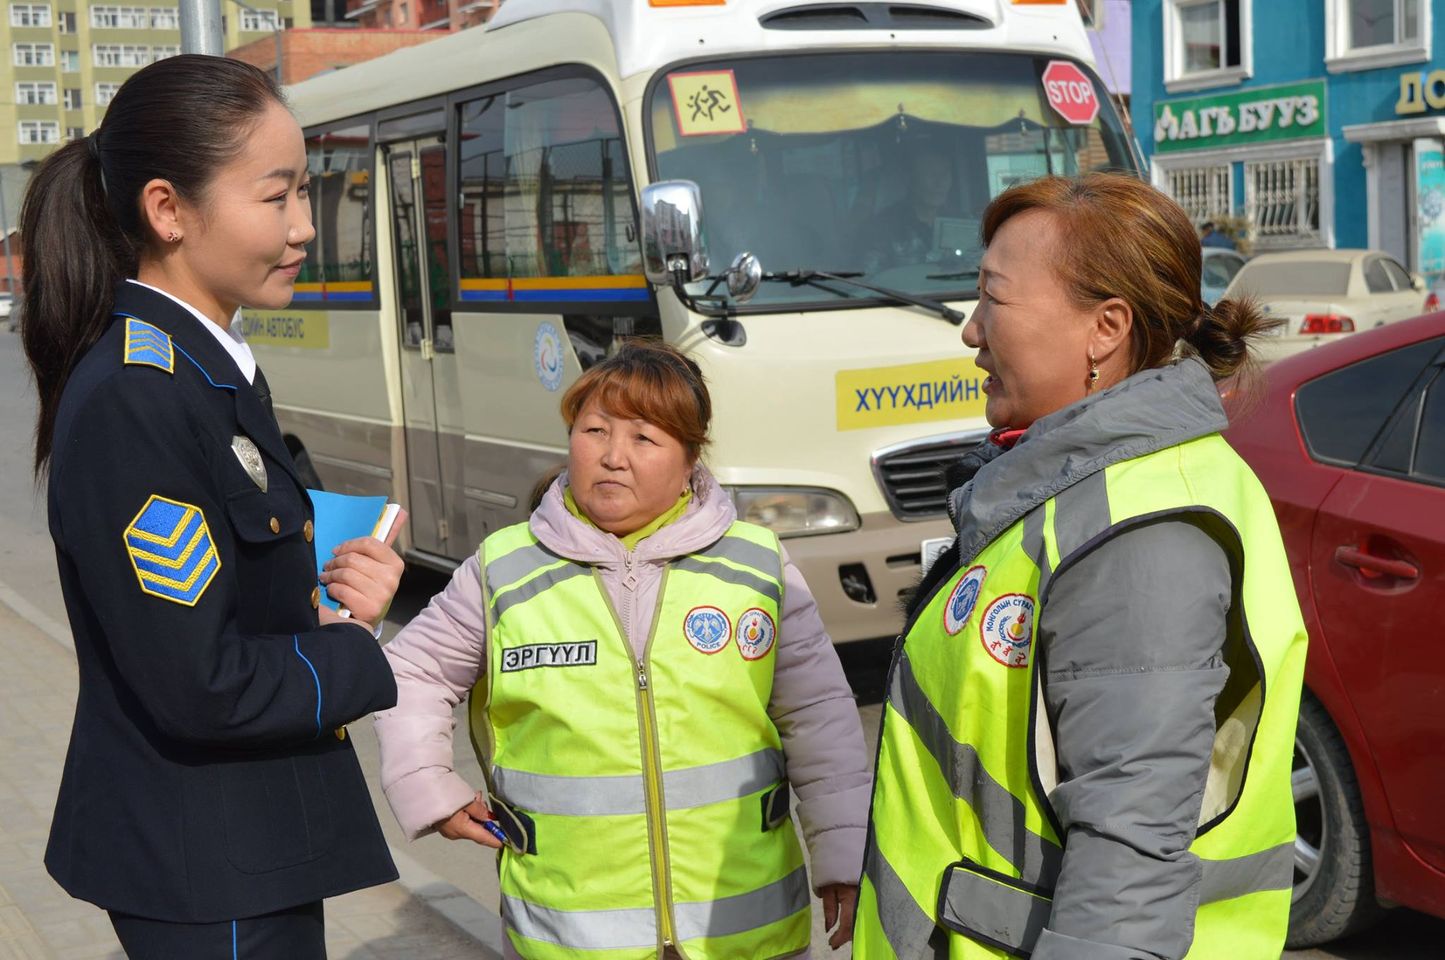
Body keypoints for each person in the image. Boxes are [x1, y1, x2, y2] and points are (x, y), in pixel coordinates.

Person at [853, 174, 1308, 959]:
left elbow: (1128, 867)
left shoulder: (1141, 534)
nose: (969, 331)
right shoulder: (1082, 489)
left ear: (1104, 328)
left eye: (992, 298)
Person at [20, 55, 407, 958]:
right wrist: (353, 655)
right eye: (277, 199)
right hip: (208, 861)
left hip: (248, 843)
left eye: (305, 194)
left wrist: (332, 592)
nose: (305, 227)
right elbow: (201, 683)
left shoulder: (205, 368)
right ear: (167, 209)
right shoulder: (138, 394)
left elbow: (232, 600)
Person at [374, 340, 870, 960]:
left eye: (644, 438)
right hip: (570, 933)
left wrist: (844, 856)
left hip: (742, 929)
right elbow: (410, 670)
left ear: (691, 458)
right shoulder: (505, 569)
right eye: (594, 431)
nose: (612, 457)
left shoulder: (757, 565)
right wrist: (429, 787)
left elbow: (821, 719)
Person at [862, 146, 958, 271]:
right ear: (911, 178)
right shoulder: (883, 228)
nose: (939, 182)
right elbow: (870, 280)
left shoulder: (961, 222)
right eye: (930, 173)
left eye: (945, 173)